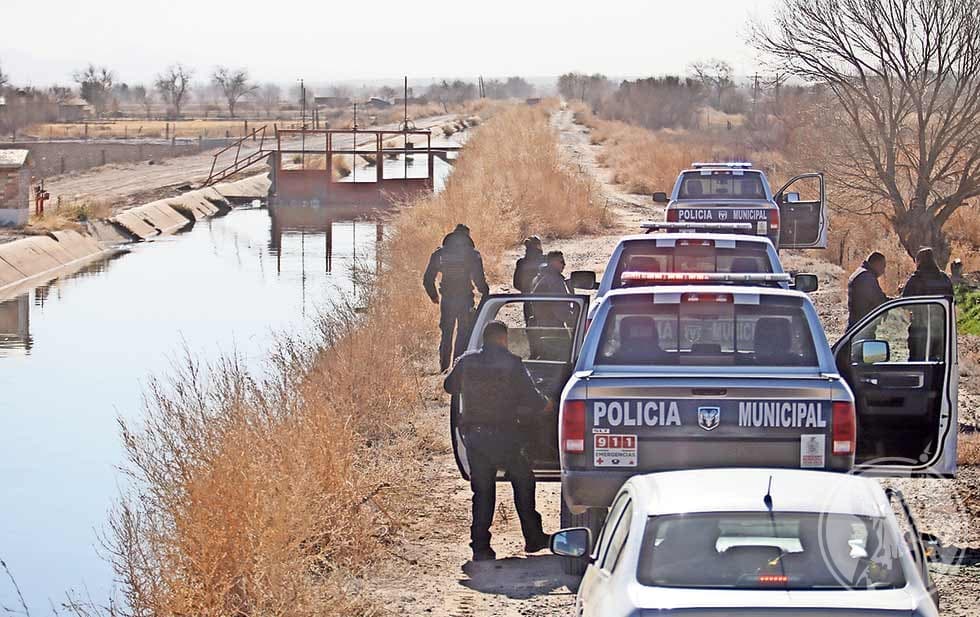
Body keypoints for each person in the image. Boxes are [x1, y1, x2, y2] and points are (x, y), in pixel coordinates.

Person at [444, 321, 553, 561]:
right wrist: (548, 404)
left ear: (485, 339)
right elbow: (533, 399)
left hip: (475, 437)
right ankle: (533, 537)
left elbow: (448, 387)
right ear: (503, 339)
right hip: (506, 437)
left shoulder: (466, 361)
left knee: (482, 492)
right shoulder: (513, 364)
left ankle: (480, 547)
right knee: (524, 482)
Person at [423, 225, 490, 372]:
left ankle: (444, 367)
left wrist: (433, 295)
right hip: (465, 299)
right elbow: (479, 279)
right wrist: (486, 293)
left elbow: (428, 278)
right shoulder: (473, 255)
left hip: (447, 299)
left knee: (446, 332)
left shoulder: (439, 254)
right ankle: (456, 367)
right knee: (463, 332)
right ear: (467, 237)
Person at [901, 247, 953, 361]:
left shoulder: (915, 279)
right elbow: (952, 301)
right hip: (942, 331)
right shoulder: (944, 278)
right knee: (940, 363)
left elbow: (905, 303)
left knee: (917, 364)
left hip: (920, 330)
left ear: (919, 261)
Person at [528, 251, 575, 359]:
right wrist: (573, 320)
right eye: (561, 261)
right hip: (553, 328)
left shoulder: (538, 278)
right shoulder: (554, 280)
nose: (564, 264)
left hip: (540, 326)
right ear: (553, 262)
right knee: (567, 357)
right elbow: (560, 307)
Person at [847, 252, 890, 328]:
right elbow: (879, 300)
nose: (883, 271)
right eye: (883, 266)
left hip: (858, 323)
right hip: (862, 325)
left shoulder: (861, 273)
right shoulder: (866, 277)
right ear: (876, 264)